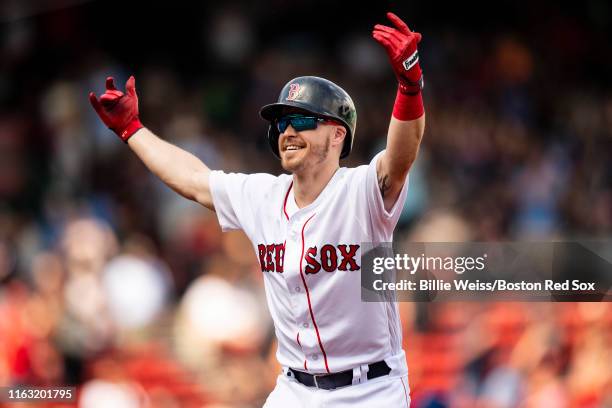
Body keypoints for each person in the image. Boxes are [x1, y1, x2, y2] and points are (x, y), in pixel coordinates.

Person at [89, 11, 425, 407]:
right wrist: (133, 131)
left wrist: (409, 83)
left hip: (370, 389)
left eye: (301, 120)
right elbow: (194, 179)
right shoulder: (262, 196)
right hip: (294, 389)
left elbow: (401, 157)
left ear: (338, 135)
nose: (288, 131)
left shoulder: (361, 191)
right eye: (281, 123)